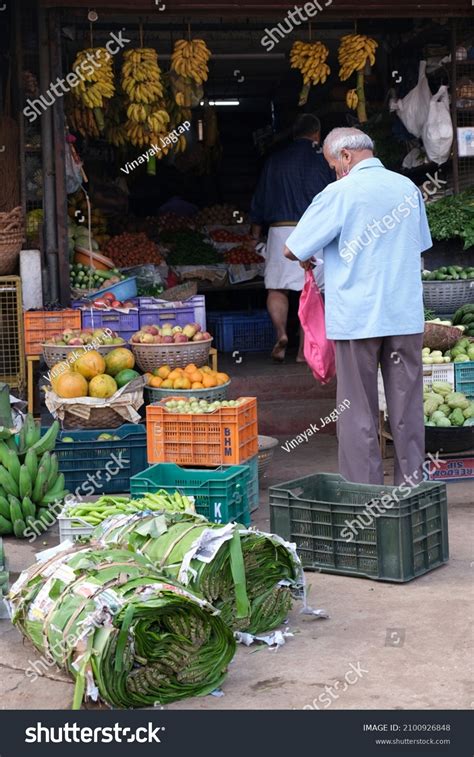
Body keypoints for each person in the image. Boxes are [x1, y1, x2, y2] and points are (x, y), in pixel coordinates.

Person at [284, 127, 432, 486]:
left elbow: (293, 248)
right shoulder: (407, 189)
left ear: (346, 157)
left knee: (357, 412)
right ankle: (410, 495)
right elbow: (420, 245)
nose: (334, 171)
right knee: (408, 410)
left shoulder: (339, 193)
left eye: (333, 164)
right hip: (404, 317)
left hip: (358, 319)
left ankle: (365, 498)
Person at [250, 113, 334, 362]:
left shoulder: (275, 160)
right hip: (315, 230)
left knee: (277, 288)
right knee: (313, 292)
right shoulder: (325, 161)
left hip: (280, 230)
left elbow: (261, 199)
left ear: (294, 133)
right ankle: (302, 351)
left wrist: (255, 233)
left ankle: (282, 333)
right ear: (317, 134)